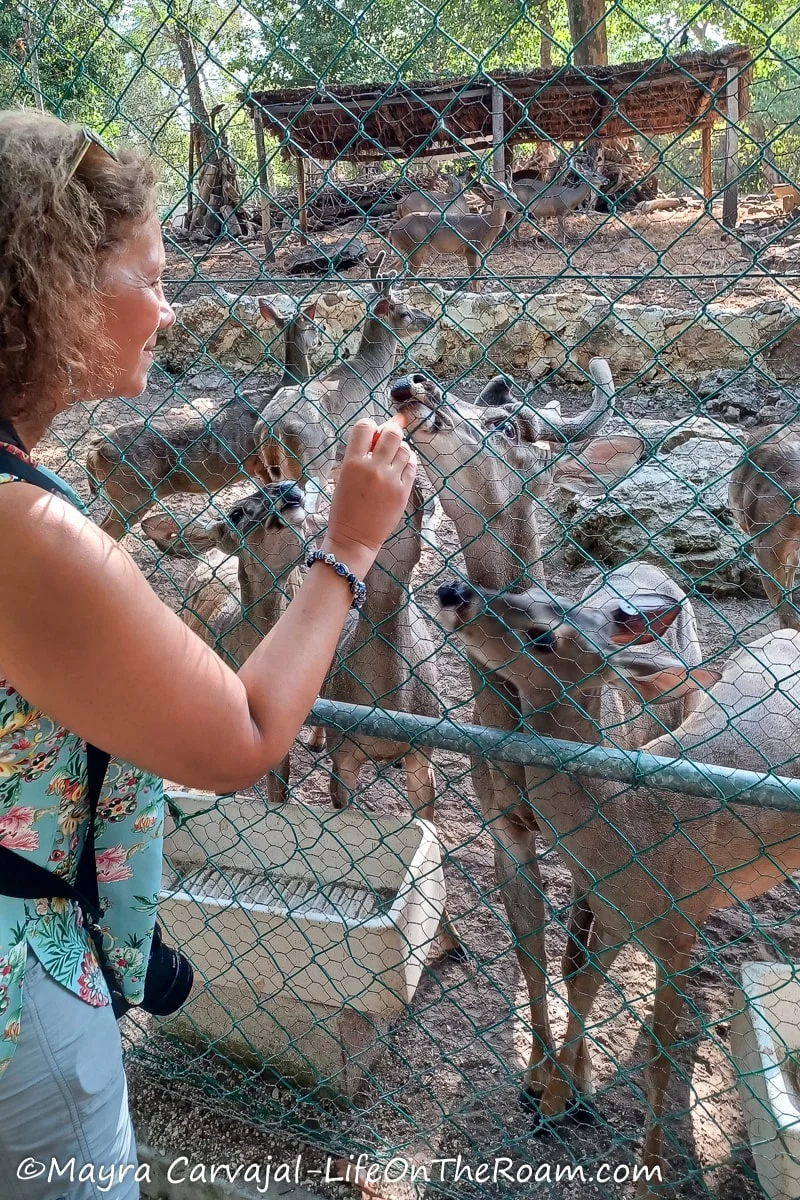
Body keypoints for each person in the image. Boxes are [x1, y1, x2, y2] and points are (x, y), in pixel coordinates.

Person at [0, 110, 418, 1199]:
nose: (169, 307)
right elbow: (240, 739)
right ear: (57, 287)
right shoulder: (29, 535)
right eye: (151, 273)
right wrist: (351, 545)